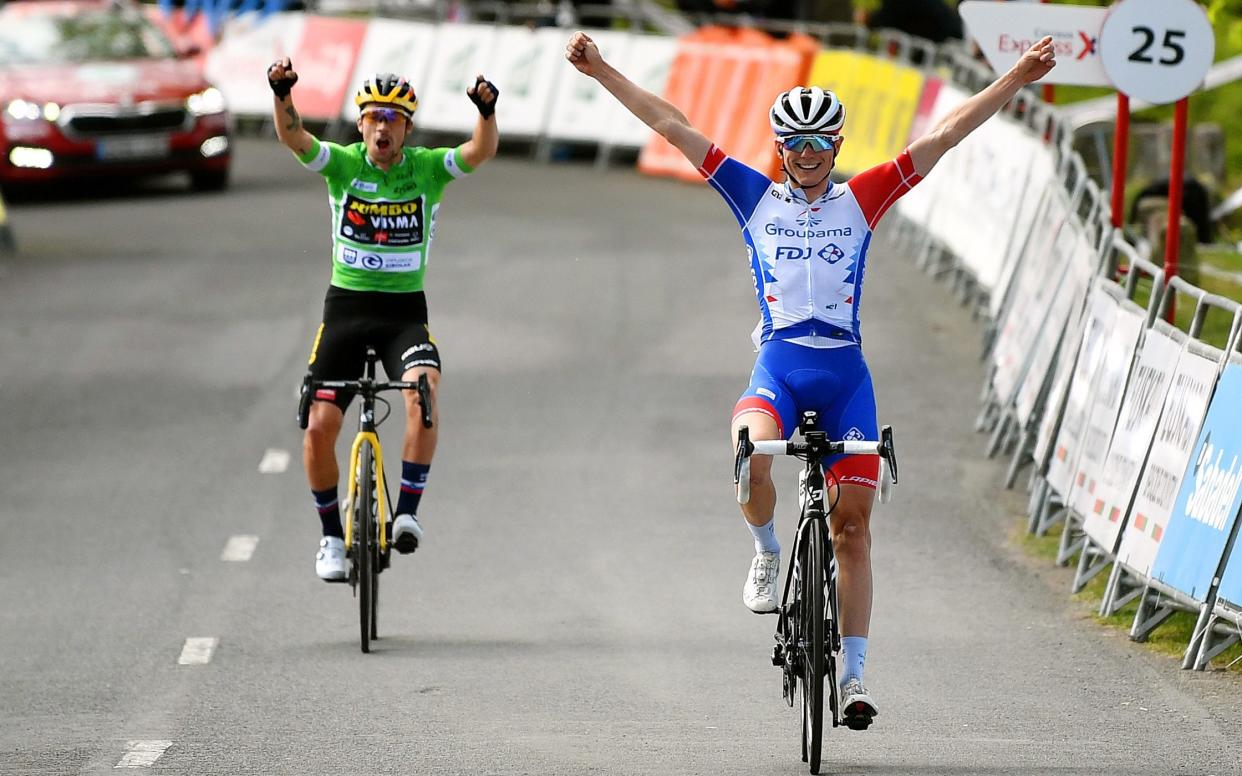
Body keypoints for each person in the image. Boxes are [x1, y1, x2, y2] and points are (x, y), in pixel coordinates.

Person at [566, 30, 1054, 727]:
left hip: (846, 377)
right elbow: (670, 124)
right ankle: (767, 552)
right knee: (748, 454)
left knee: (852, 533)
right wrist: (602, 68)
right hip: (780, 369)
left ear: (836, 145)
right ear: (778, 147)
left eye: (819, 142)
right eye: (794, 143)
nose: (806, 153)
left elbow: (946, 133)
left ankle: (853, 677)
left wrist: (1015, 77)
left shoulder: (863, 200)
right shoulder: (752, 197)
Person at [265, 59, 499, 581]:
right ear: (361, 125)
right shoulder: (343, 165)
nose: (382, 126)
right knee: (319, 426)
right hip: (345, 311)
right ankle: (330, 538)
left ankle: (408, 513)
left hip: (402, 315)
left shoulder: (428, 169)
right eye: (373, 117)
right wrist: (282, 92)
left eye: (393, 119)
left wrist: (486, 112)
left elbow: (480, 151)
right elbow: (292, 135)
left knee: (424, 393)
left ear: (407, 129)